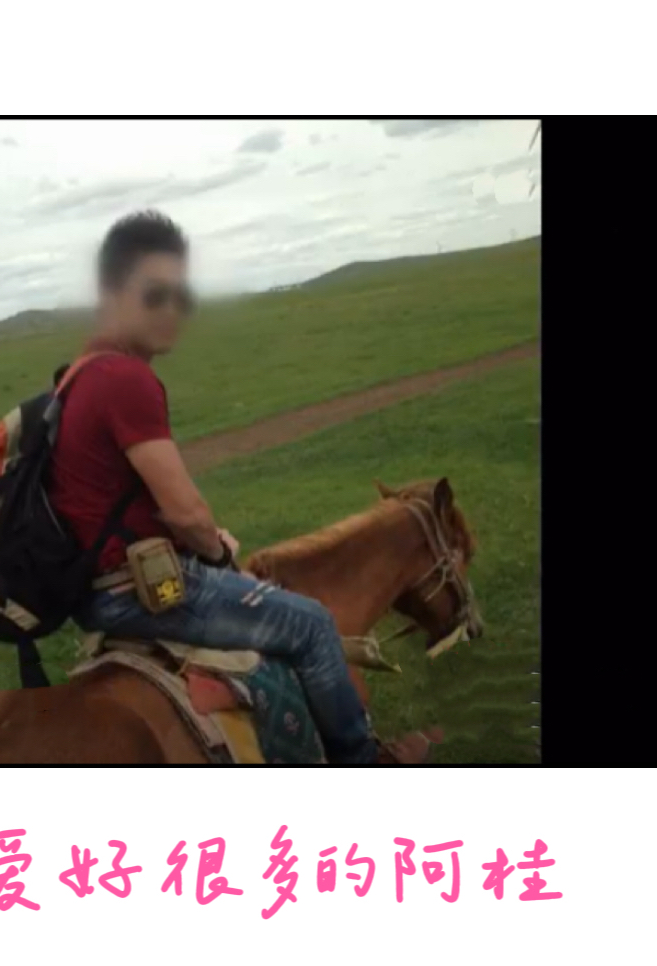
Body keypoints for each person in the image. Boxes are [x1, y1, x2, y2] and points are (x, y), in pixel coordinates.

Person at [47, 210, 429, 764]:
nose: (172, 310)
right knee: (312, 624)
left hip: (97, 590)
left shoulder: (78, 374)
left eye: (182, 297)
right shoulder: (125, 378)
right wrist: (217, 550)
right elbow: (185, 513)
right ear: (110, 294)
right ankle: (363, 762)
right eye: (154, 295)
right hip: (140, 591)